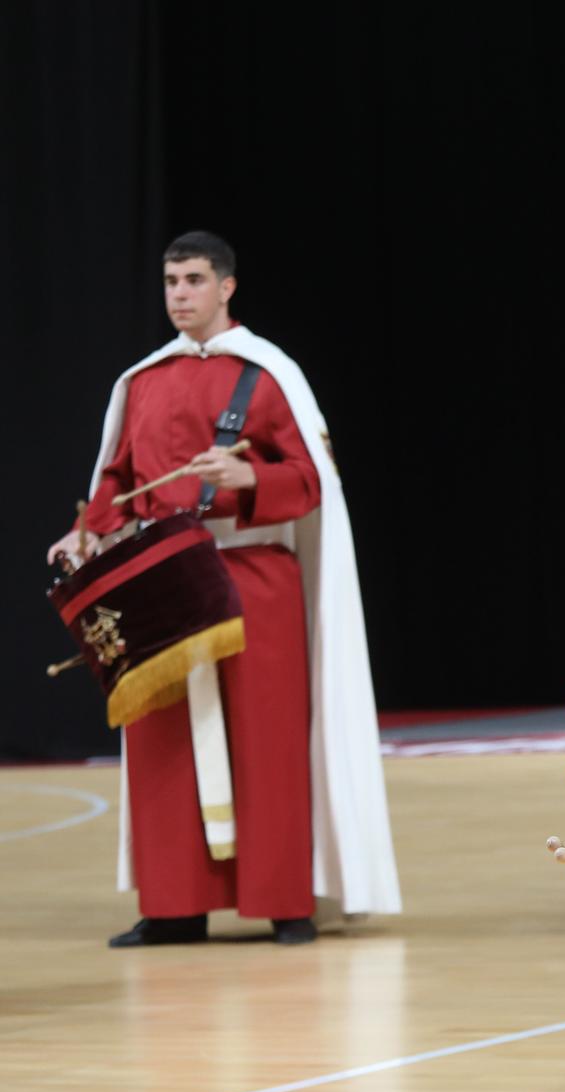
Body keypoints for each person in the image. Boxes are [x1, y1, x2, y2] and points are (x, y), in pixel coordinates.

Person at [47, 230, 399, 946]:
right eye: (172, 282)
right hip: (158, 581)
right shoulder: (143, 380)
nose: (180, 295)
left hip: (251, 576)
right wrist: (86, 530)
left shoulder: (268, 375)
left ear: (227, 286)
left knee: (268, 740)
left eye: (195, 281)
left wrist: (250, 480)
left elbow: (310, 483)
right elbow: (116, 480)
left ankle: (285, 903)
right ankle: (173, 906)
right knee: (161, 741)